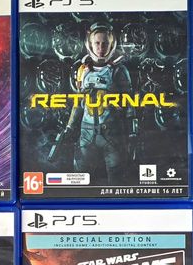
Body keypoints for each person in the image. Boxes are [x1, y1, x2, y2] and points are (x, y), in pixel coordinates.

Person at [51, 23, 137, 185]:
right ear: (90, 44)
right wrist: (69, 127)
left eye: (105, 43)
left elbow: (130, 104)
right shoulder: (83, 71)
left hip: (112, 132)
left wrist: (133, 132)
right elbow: (78, 103)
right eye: (97, 43)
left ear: (111, 45)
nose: (101, 48)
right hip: (87, 132)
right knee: (80, 178)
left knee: (116, 179)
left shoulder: (119, 71)